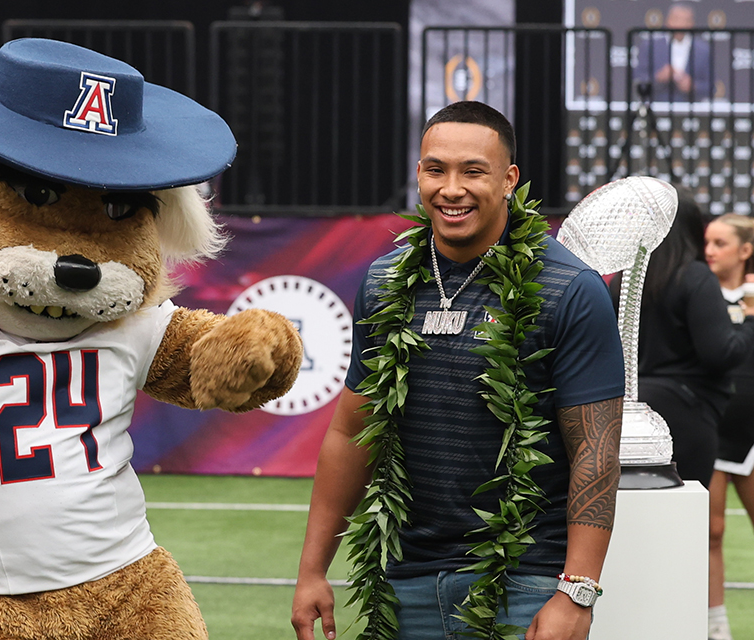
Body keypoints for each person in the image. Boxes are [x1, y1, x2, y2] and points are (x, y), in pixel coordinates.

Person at [291, 101, 625, 640]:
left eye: (473, 171)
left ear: (509, 179)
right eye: (435, 169)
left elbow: (596, 448)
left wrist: (576, 592)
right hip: (406, 583)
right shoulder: (382, 283)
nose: (451, 189)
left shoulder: (569, 288)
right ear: (418, 173)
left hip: (525, 585)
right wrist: (311, 570)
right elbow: (352, 431)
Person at [611, 193, 754, 489]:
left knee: (633, 511)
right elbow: (720, 353)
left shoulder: (623, 279)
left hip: (626, 414)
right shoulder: (695, 276)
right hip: (687, 413)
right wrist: (750, 321)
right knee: (685, 519)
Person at [704, 213, 754, 640]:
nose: (710, 251)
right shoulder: (699, 295)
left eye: (720, 243)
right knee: (712, 531)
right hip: (714, 430)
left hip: (752, 435)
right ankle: (716, 627)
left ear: (745, 250)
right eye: (707, 242)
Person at [634, 2, 712, 102]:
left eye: (686, 20)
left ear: (692, 24)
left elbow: (711, 86)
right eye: (676, 19)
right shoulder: (650, 46)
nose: (681, 24)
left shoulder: (703, 50)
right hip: (656, 106)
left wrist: (693, 86)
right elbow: (638, 79)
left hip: (691, 109)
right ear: (667, 21)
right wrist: (658, 77)